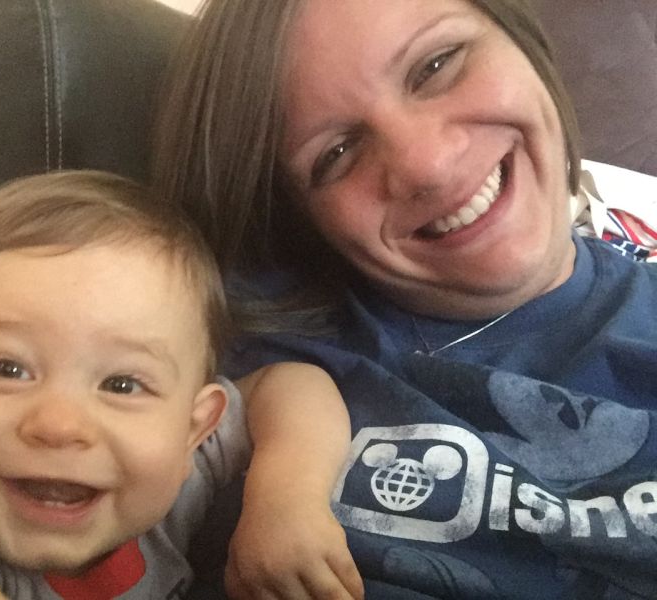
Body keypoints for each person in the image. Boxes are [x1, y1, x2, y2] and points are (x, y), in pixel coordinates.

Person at [152, 0, 657, 597]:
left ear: (521, 40)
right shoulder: (254, 349)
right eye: (337, 154)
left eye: (437, 65)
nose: (429, 167)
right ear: (301, 221)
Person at [0, 170, 362, 600]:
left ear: (194, 430)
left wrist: (284, 500)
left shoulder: (170, 467)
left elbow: (292, 384)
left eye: (121, 384)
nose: (59, 426)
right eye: (6, 369)